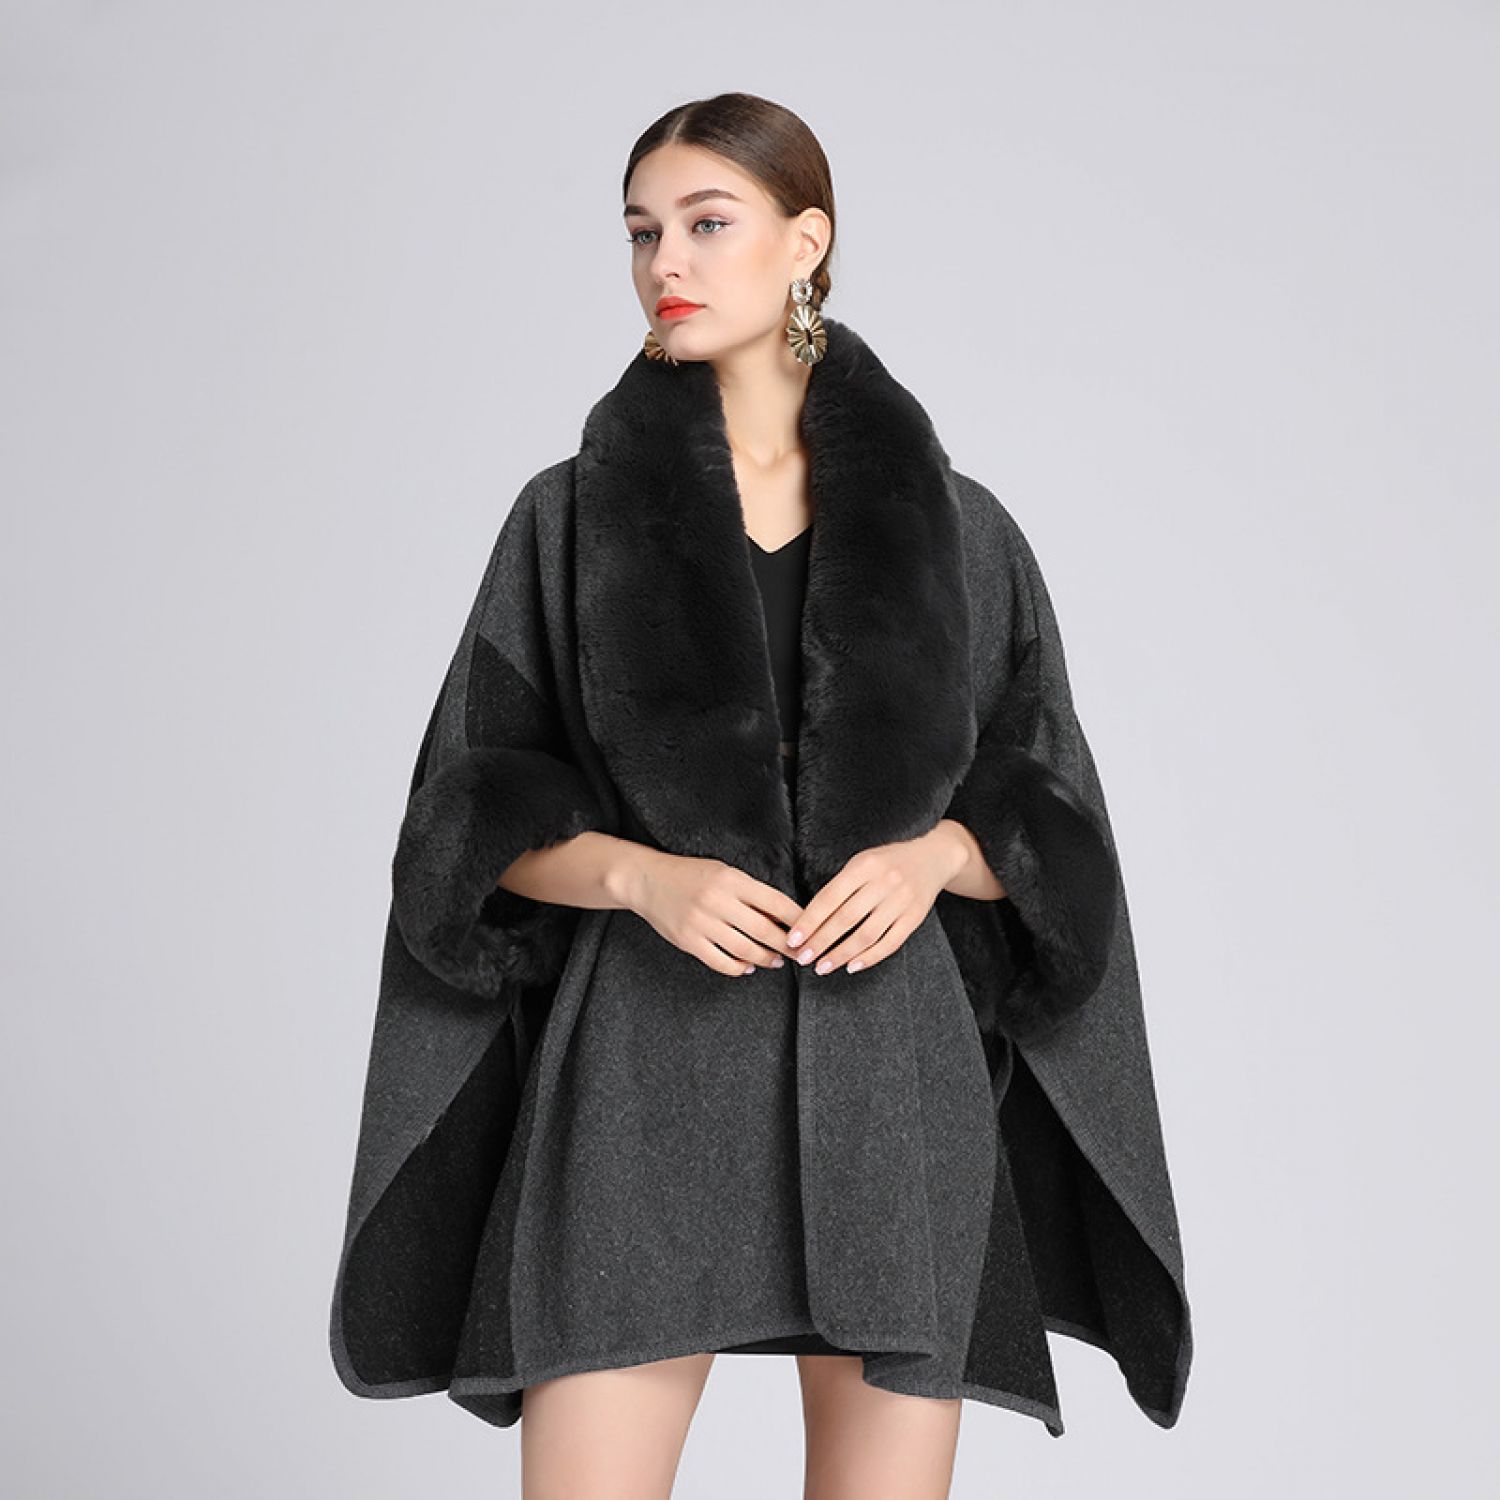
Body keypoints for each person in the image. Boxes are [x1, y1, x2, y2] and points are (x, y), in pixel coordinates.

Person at [330, 92, 1192, 1500]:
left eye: (706, 223)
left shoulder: (961, 531)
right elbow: (460, 829)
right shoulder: (566, 520)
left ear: (807, 242)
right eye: (641, 231)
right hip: (640, 1067)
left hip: (888, 1078)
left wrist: (939, 857)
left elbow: (1059, 829)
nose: (664, 260)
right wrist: (638, 876)